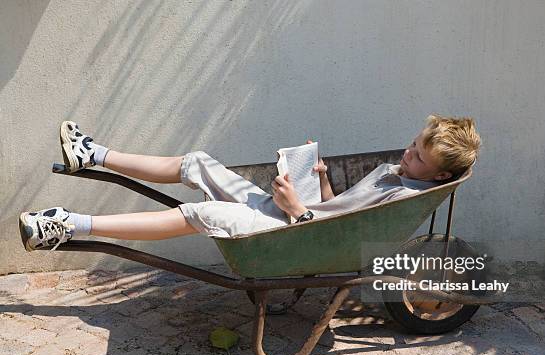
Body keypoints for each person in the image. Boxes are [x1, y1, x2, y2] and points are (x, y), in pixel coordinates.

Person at [19, 115, 481, 251]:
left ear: (440, 175)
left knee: (200, 213)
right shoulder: (395, 175)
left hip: (293, 235)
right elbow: (342, 212)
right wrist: (318, 183)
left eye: (418, 155)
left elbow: (350, 240)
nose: (407, 153)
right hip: (297, 218)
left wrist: (298, 210)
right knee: (198, 162)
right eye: (413, 143)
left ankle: (66, 226)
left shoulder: (406, 198)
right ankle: (92, 155)